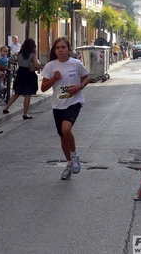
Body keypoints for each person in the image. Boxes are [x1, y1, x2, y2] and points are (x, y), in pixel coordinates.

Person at [41, 37, 89, 180]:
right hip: (58, 104)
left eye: (63, 47)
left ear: (69, 49)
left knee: (66, 129)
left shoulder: (76, 64)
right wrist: (53, 79)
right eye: (57, 48)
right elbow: (43, 88)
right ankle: (69, 164)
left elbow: (86, 77)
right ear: (54, 50)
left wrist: (80, 86)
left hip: (74, 101)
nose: (60, 50)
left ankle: (74, 156)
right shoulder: (50, 66)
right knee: (63, 139)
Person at [3, 38, 40, 119]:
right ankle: (25, 113)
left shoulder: (20, 54)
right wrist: (37, 66)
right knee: (27, 94)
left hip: (20, 73)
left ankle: (6, 107)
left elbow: (19, 63)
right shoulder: (32, 55)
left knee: (17, 93)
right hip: (29, 75)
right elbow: (37, 65)